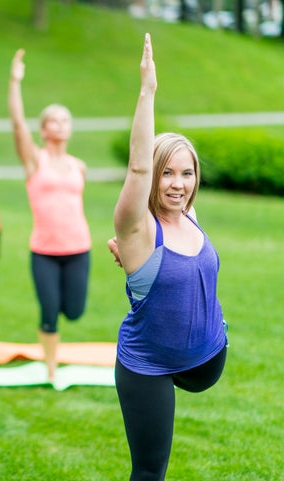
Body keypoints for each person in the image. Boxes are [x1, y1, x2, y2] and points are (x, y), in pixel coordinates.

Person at [113, 34, 228, 480]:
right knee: (150, 473)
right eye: (167, 173)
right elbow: (138, 167)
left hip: (206, 358)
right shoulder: (138, 227)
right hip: (150, 364)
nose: (178, 183)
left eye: (187, 172)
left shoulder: (190, 214)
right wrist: (147, 92)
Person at [8, 49, 92, 381]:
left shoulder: (79, 166)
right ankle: (51, 368)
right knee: (49, 312)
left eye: (65, 119)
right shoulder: (34, 161)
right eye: (53, 120)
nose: (60, 124)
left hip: (78, 250)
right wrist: (15, 82)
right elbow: (17, 125)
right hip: (44, 251)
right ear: (43, 130)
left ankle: (55, 343)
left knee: (74, 311)